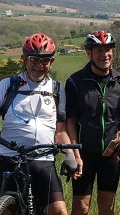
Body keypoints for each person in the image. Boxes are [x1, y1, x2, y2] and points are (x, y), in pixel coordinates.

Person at [0, 33, 74, 214]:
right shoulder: (8, 85)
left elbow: (60, 130)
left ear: (52, 61)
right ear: (24, 59)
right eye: (34, 59)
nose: (39, 65)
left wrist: (70, 155)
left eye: (45, 60)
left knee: (59, 211)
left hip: (43, 159)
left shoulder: (57, 90)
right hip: (9, 157)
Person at [65, 30, 120, 215]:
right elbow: (70, 121)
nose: (104, 54)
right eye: (99, 50)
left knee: (107, 207)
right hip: (83, 153)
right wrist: (74, 152)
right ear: (89, 53)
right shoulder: (75, 82)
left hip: (111, 154)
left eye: (108, 49)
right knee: (81, 207)